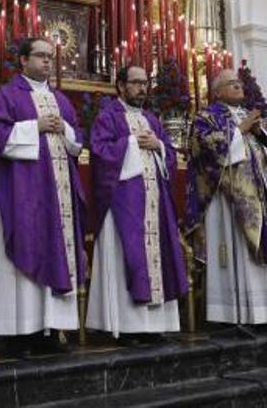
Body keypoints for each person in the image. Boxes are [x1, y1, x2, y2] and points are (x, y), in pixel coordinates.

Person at [0, 37, 85, 355]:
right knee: (22, 252)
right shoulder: (8, 96)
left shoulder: (61, 101)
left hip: (57, 195)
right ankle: (18, 334)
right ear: (23, 60)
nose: (48, 62)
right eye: (40, 56)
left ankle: (49, 331)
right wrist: (34, 127)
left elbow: (78, 141)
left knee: (55, 251)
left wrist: (66, 130)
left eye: (51, 57)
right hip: (23, 194)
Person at [87, 64, 188, 341]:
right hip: (122, 201)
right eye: (135, 83)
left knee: (157, 257)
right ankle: (128, 326)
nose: (142, 88)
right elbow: (99, 152)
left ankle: (154, 326)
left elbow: (168, 154)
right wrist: (131, 143)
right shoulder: (108, 117)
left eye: (145, 83)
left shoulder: (152, 119)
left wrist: (159, 147)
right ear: (120, 86)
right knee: (126, 257)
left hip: (154, 201)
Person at [187, 68, 267, 326]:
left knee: (263, 248)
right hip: (228, 200)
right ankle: (234, 313)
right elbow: (203, 149)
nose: (238, 87)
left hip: (262, 196)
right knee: (237, 251)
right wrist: (239, 131)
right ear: (217, 92)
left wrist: (260, 133)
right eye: (231, 84)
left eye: (239, 83)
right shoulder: (206, 117)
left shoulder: (252, 115)